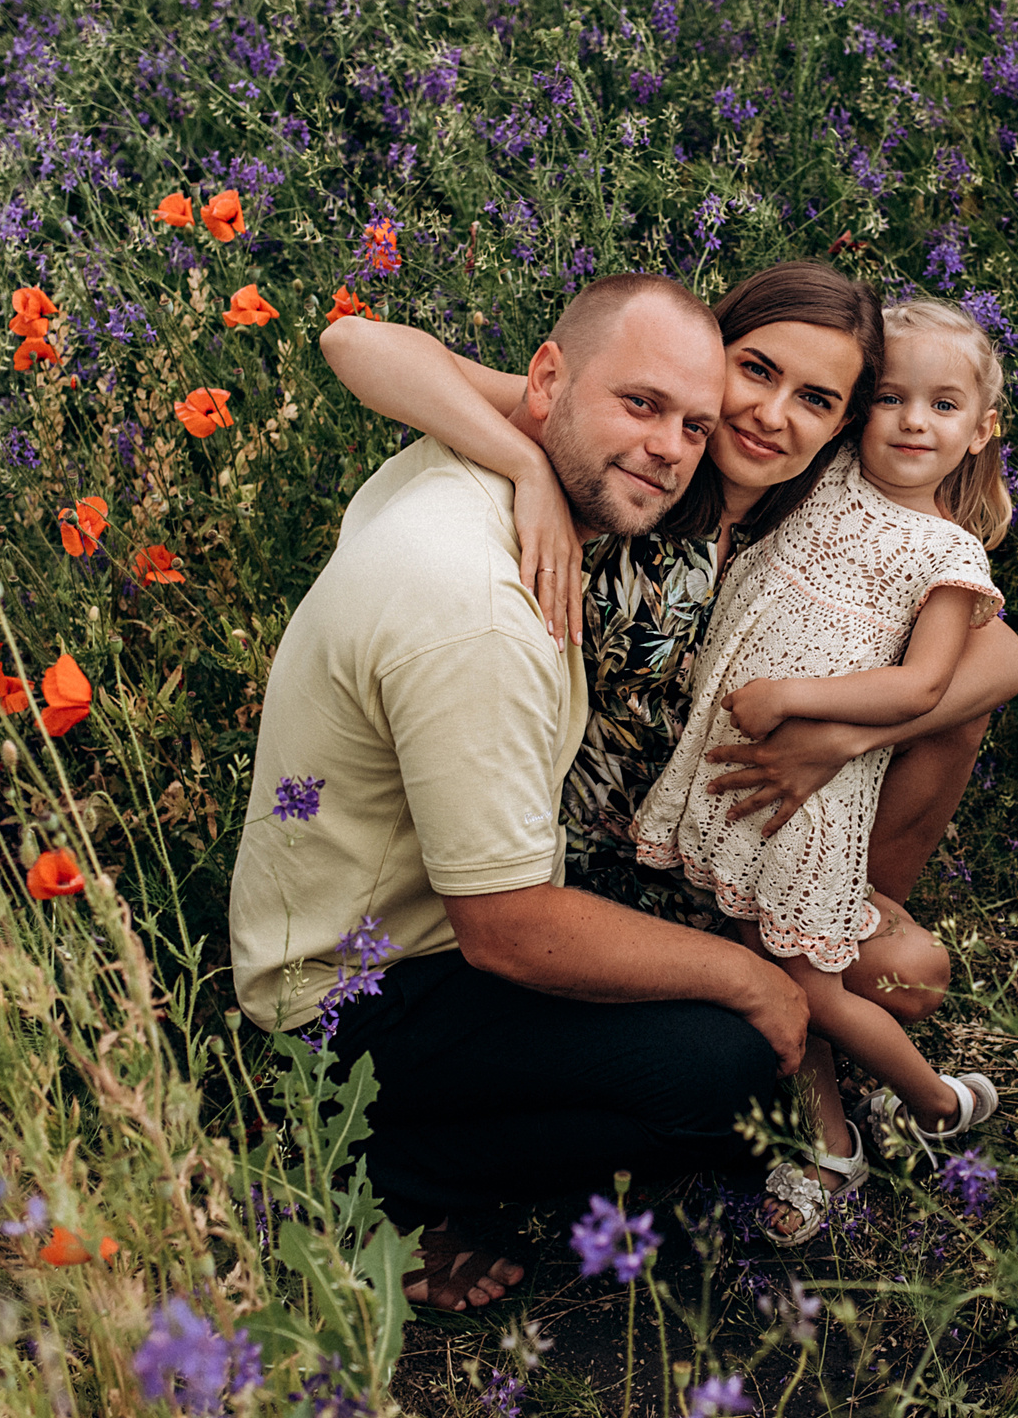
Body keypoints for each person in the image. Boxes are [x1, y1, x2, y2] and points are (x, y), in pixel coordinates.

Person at [230, 274, 812, 1314]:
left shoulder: (483, 452)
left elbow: (380, 345)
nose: (669, 447)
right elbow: (505, 930)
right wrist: (752, 980)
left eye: (693, 423)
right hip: (351, 995)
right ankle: (369, 1172)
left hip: (355, 913)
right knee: (726, 1075)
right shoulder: (481, 613)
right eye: (639, 405)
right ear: (547, 380)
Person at [322, 263, 1018, 1045]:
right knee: (851, 1000)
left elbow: (1007, 661)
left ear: (840, 424)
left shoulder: (808, 496)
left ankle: (831, 925)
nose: (770, 414)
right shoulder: (632, 458)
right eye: (754, 371)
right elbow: (356, 341)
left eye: (815, 399)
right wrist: (526, 464)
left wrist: (838, 739)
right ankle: (790, 993)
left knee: (917, 972)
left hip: (734, 818)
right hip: (599, 853)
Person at [635, 299, 1012, 1242]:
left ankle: (935, 1102)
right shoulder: (829, 471)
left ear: (980, 429)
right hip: (735, 778)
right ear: (856, 414)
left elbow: (928, 682)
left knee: (811, 985)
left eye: (944, 405)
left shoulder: (947, 553)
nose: (914, 421)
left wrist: (804, 703)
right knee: (765, 953)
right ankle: (831, 1136)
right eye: (890, 397)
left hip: (806, 803)